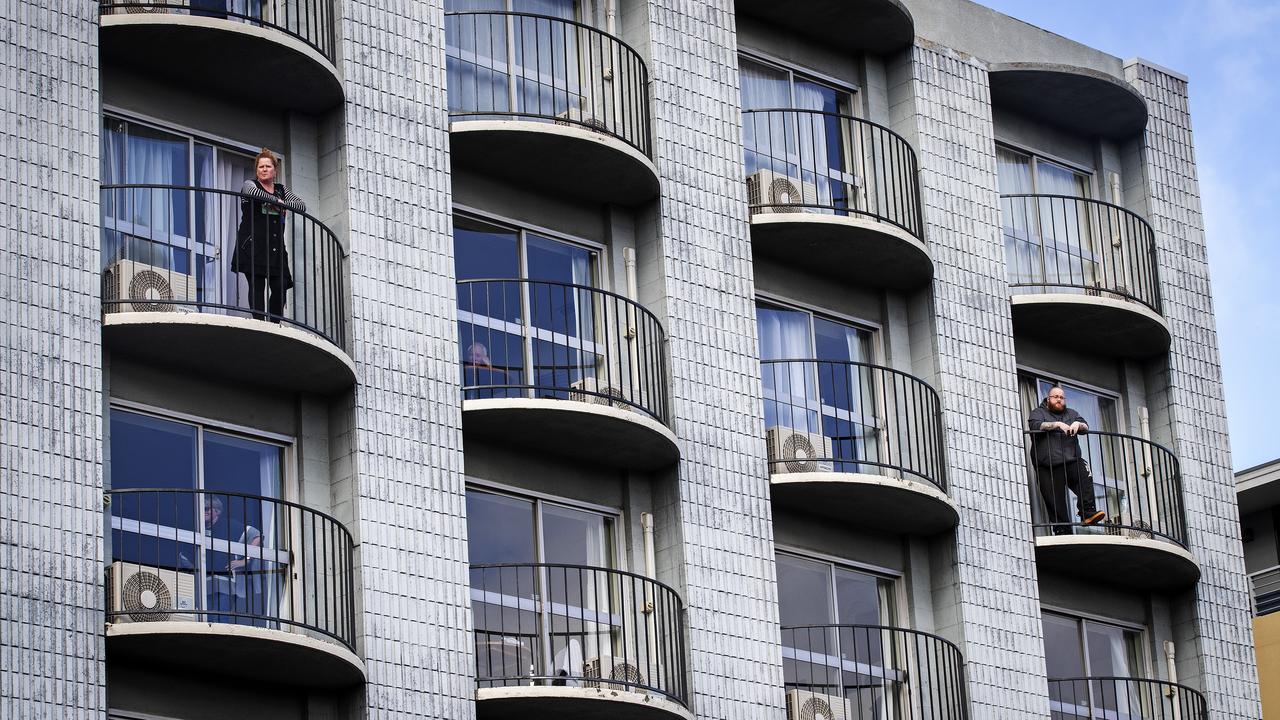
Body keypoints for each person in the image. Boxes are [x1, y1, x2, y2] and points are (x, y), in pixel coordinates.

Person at [231, 148, 306, 322]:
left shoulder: (281, 189)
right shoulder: (250, 184)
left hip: (276, 249)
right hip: (253, 245)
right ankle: (259, 322)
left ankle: (274, 323)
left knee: (280, 286)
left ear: (275, 170)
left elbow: (301, 205)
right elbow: (253, 194)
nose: (264, 169)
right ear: (256, 170)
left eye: (268, 166)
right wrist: (277, 202)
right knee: (257, 286)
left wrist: (281, 201)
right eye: (260, 166)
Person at [1028, 386, 1106, 535]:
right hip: (1048, 465)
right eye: (1055, 396)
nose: (1059, 399)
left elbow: (1086, 426)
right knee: (1055, 501)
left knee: (1084, 475)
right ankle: (1062, 530)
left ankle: (1087, 513)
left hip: (1071, 460)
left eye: (1061, 397)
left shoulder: (1071, 413)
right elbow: (1035, 425)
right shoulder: (1038, 413)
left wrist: (1078, 424)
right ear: (1048, 398)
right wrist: (1057, 425)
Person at [203, 495, 262, 624]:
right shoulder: (200, 529)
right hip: (206, 582)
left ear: (217, 511)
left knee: (220, 618)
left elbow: (256, 535)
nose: (204, 511)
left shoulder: (228, 524)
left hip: (226, 582)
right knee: (206, 620)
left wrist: (245, 560)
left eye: (207, 508)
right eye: (202, 508)